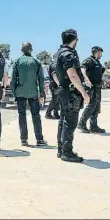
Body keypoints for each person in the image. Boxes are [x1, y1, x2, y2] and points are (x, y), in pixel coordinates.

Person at [54, 29, 90, 163]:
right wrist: (84, 93)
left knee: (63, 120)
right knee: (70, 122)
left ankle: (61, 149)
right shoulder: (68, 54)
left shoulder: (58, 53)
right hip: (71, 93)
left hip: (63, 91)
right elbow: (73, 75)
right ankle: (67, 152)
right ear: (74, 40)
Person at [10, 42, 47, 147]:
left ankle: (24, 140)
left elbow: (13, 79)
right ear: (31, 49)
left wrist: (14, 93)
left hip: (20, 93)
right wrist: (42, 92)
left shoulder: (17, 61)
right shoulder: (36, 62)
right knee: (36, 116)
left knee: (22, 116)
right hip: (33, 93)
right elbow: (41, 79)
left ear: (22, 50)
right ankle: (39, 139)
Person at [77, 46, 106, 133]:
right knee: (91, 105)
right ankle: (81, 123)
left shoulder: (97, 62)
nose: (101, 54)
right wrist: (86, 79)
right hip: (91, 87)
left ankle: (93, 126)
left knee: (96, 106)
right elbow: (82, 68)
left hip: (97, 87)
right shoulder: (89, 60)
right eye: (101, 53)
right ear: (97, 52)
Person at [45, 53, 61, 119]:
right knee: (55, 99)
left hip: (55, 84)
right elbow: (54, 75)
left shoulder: (55, 64)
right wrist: (59, 84)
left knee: (57, 99)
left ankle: (55, 113)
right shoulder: (54, 64)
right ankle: (48, 113)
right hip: (54, 84)